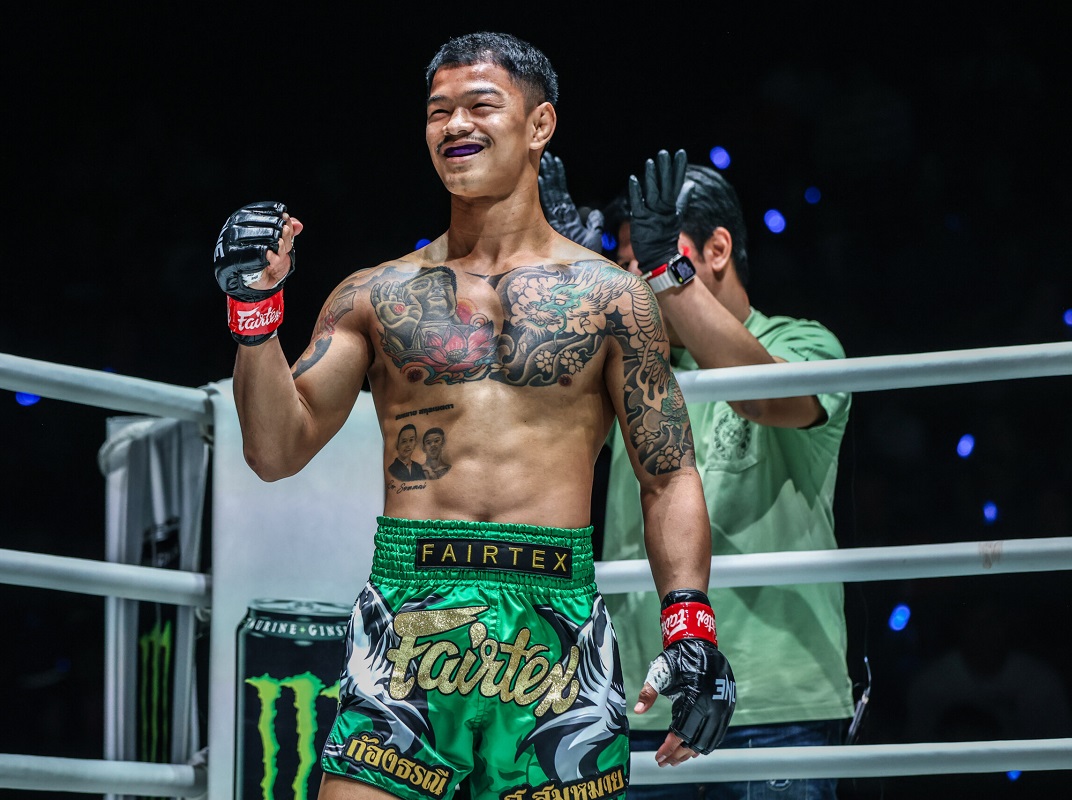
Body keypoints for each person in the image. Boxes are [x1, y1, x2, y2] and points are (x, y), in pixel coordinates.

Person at [213, 32, 735, 800]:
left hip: (553, 621)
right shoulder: (373, 296)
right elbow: (273, 450)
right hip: (410, 611)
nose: (455, 124)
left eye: (480, 105)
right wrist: (254, 313)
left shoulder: (611, 298)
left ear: (539, 124)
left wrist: (690, 626)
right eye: (438, 111)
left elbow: (668, 474)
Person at [541, 150, 854, 799]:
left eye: (654, 258)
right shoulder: (623, 365)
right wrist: (569, 283)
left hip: (777, 707)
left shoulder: (805, 343)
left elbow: (763, 398)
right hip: (640, 704)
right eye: (630, 265)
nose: (636, 280)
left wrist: (666, 275)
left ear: (716, 250)